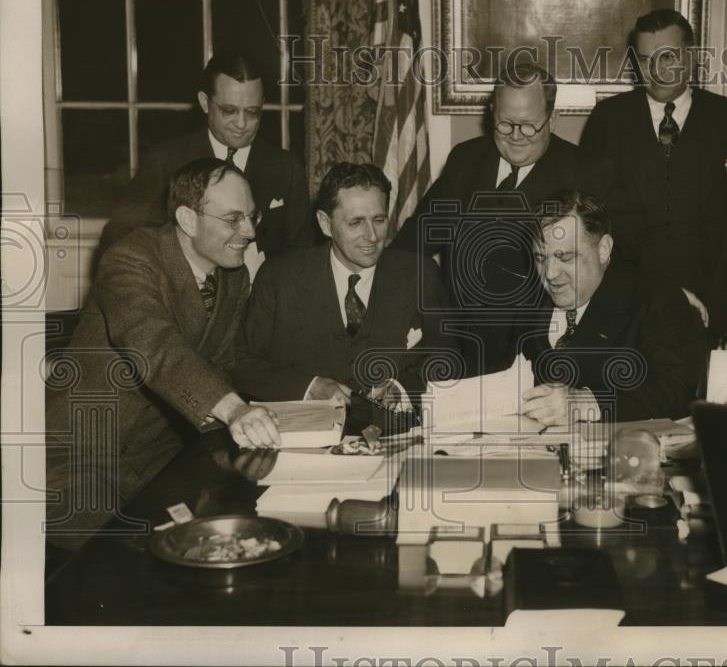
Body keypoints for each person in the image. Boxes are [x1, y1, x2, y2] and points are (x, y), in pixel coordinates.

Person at [46, 159, 280, 549]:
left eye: (252, 217)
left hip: (157, 460)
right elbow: (153, 345)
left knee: (226, 534)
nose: (250, 232)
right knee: (116, 565)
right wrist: (235, 411)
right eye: (233, 219)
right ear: (188, 219)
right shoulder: (129, 259)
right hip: (78, 458)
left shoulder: (233, 278)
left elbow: (220, 366)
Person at [392, 63, 603, 376]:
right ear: (492, 113)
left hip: (536, 354)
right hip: (457, 349)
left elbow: (616, 259)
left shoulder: (587, 172)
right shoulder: (466, 159)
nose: (516, 136)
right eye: (505, 124)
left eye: (529, 126)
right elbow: (415, 243)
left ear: (553, 119)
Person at [580, 8, 727, 344]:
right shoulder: (608, 119)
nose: (657, 71)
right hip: (630, 297)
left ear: (690, 57)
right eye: (646, 59)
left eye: (668, 58)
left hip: (711, 294)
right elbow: (592, 217)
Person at [233, 163, 457, 433]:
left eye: (379, 219)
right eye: (356, 223)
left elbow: (448, 361)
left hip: (396, 442)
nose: (372, 237)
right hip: (304, 446)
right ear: (325, 224)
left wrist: (401, 390)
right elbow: (243, 364)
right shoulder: (279, 278)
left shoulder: (421, 275)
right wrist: (309, 386)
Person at [98, 50, 315, 265]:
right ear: (204, 102)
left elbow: (302, 253)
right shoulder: (166, 161)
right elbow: (118, 235)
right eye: (229, 110)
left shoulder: (286, 168)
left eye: (252, 112)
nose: (241, 124)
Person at [518, 189, 707, 426]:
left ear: (603, 249)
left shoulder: (654, 298)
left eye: (565, 258)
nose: (550, 274)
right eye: (540, 258)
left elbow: (677, 391)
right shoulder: (525, 298)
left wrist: (588, 403)